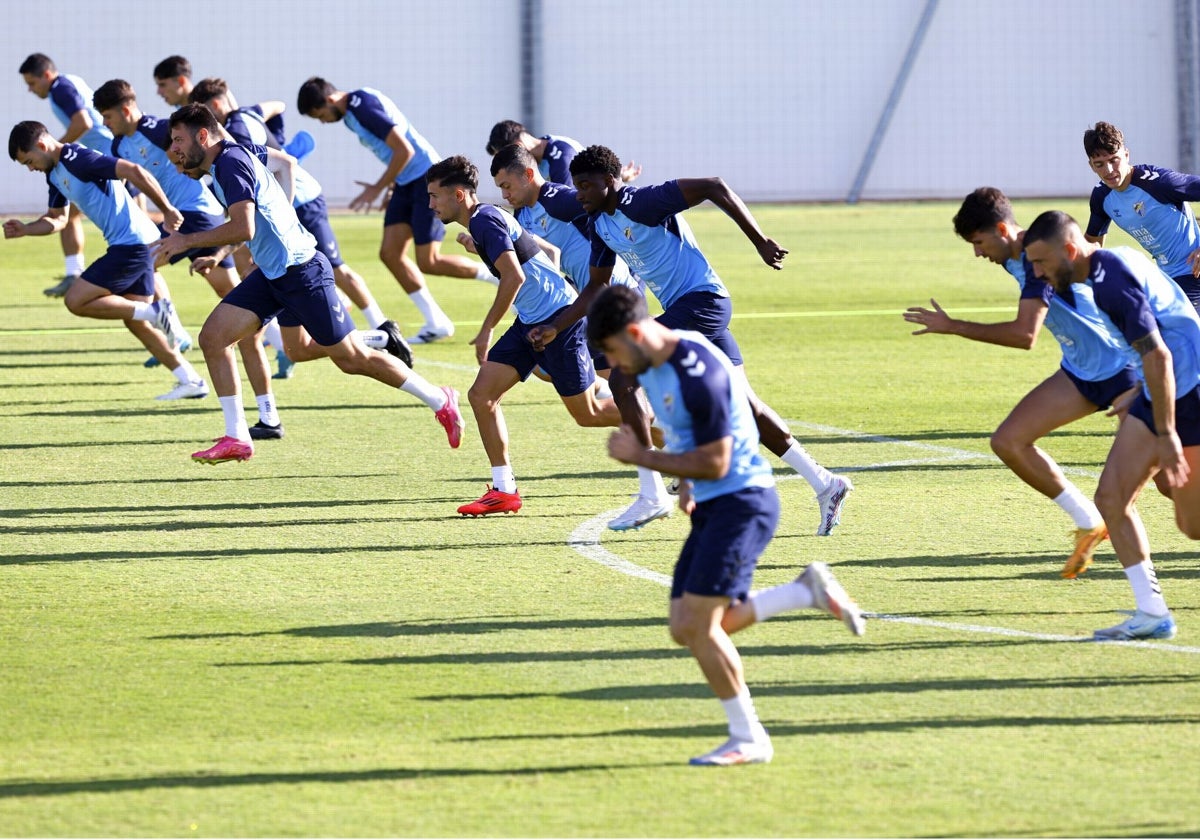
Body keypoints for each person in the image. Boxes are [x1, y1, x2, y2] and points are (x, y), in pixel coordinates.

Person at [587, 284, 865, 765]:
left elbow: (717, 460)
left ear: (635, 332)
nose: (615, 365)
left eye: (612, 351)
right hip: (717, 502)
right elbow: (692, 434)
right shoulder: (652, 364)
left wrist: (645, 457)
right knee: (685, 627)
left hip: (743, 503)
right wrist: (687, 485)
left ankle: (749, 737)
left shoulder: (694, 371)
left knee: (699, 625)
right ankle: (804, 592)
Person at [529, 145, 854, 536]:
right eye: (576, 185)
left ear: (610, 182)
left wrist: (760, 240)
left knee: (621, 378)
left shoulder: (643, 201)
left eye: (586, 185)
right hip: (697, 311)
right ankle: (825, 483)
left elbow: (714, 186)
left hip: (702, 302)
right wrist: (557, 326)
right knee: (748, 409)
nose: (579, 193)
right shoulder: (600, 223)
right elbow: (596, 287)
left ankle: (651, 492)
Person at [154, 104, 464, 463]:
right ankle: (237, 437)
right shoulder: (239, 153)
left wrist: (187, 242)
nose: (174, 148)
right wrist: (246, 239)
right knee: (224, 339)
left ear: (203, 136)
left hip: (301, 272)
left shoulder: (228, 163)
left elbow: (246, 226)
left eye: (179, 139)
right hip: (274, 273)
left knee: (352, 359)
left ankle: (440, 399)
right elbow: (284, 165)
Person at [904, 187, 1141, 577]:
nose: (978, 253)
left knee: (1166, 481)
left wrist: (953, 327)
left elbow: (1024, 335)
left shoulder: (1037, 258)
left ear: (1002, 229)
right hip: (1081, 371)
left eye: (979, 242)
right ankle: (1087, 521)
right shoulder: (1014, 256)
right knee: (1008, 441)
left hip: (1123, 370)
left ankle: (1147, 595)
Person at [1023, 210, 1200, 640]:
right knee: (1112, 497)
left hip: (1189, 388)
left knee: (1193, 525)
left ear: (1069, 250)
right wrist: (1136, 392)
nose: (1039, 275)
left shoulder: (1108, 282)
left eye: (1043, 263)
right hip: (1163, 386)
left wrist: (1167, 433)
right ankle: (1153, 613)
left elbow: (1158, 354)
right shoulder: (1099, 270)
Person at [425, 155, 622, 516]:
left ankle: (663, 427)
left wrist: (486, 329)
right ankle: (504, 490)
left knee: (588, 414)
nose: (430, 204)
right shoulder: (488, 221)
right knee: (481, 395)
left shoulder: (485, 220)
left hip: (558, 324)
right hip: (533, 322)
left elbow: (514, 277)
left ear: (457, 195)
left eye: (435, 196)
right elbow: (547, 251)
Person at [489, 143, 670, 530]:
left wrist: (622, 191)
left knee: (622, 387)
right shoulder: (523, 212)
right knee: (592, 384)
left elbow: (606, 213)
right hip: (583, 305)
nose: (505, 194)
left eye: (508, 185)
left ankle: (672, 456)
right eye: (500, 188)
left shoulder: (558, 199)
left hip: (610, 297)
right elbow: (551, 257)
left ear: (528, 174)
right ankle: (671, 443)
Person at [94, 78, 287, 438]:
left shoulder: (160, 129)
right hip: (183, 221)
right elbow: (136, 188)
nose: (105, 125)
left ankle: (169, 325)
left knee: (144, 269)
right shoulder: (120, 142)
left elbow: (213, 156)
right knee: (236, 307)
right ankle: (177, 333)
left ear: (125, 110)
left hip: (198, 216)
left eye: (107, 117)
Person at [190, 77, 402, 378]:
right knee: (294, 332)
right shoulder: (250, 113)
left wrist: (282, 206)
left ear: (213, 109)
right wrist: (278, 135)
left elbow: (267, 179)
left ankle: (381, 326)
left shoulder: (234, 137)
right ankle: (301, 340)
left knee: (336, 269)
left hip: (300, 201)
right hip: (277, 213)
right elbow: (279, 106)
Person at [5, 120, 206, 400]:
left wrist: (167, 209)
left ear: (42, 145)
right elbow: (58, 219)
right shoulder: (54, 174)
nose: (30, 168)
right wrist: (26, 229)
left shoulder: (77, 157)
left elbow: (133, 170)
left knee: (76, 300)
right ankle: (191, 380)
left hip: (133, 244)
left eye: (29, 161)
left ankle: (157, 313)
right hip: (132, 242)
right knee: (133, 319)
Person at [297, 76, 493, 343]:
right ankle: (437, 322)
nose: (322, 121)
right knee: (390, 253)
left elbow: (405, 150)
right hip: (405, 183)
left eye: (320, 115)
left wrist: (378, 187)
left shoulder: (362, 106)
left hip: (425, 179)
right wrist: (391, 188)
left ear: (330, 100)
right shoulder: (353, 113)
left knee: (429, 261)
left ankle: (499, 276)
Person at [19, 53, 114, 297]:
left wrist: (54, 150)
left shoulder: (60, 89)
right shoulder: (67, 83)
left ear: (47, 75)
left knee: (124, 225)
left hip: (108, 159)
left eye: (32, 83)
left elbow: (83, 123)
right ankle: (75, 274)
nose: (30, 90)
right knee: (69, 216)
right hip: (110, 155)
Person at [1083, 121, 1200, 309]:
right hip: (1168, 276)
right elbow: (1091, 245)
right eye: (1100, 164)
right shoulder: (1102, 196)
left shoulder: (1158, 183)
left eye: (1114, 160)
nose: (1109, 170)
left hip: (1193, 272)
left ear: (1126, 155)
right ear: (1091, 166)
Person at [486, 120, 642, 186]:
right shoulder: (536, 156)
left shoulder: (562, 157)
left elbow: (566, 205)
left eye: (509, 158)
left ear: (519, 146)